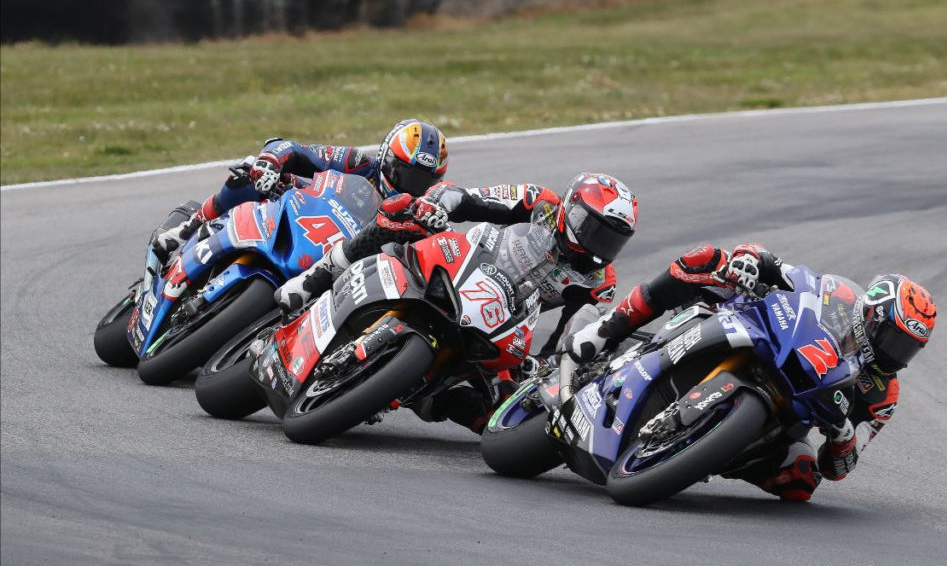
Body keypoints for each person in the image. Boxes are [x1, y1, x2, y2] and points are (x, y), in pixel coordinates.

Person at [564, 243, 937, 501]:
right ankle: (603, 331)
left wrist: (841, 435)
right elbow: (782, 268)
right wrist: (749, 260)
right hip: (753, 329)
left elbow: (841, 466)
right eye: (891, 337)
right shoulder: (839, 296)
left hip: (790, 412)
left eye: (906, 348)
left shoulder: (882, 394)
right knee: (705, 259)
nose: (894, 353)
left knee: (803, 481)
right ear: (871, 314)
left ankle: (708, 452)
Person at [276, 172, 640, 433]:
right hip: (462, 262)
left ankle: (427, 398)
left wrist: (542, 367)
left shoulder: (599, 282)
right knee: (400, 217)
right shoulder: (539, 202)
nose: (599, 246)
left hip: (502, 321)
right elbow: (467, 197)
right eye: (593, 229)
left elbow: (568, 336)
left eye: (611, 241)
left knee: (500, 411)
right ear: (571, 211)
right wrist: (439, 206)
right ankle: (313, 280)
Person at [151, 119, 449, 261]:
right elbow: (291, 148)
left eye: (421, 182)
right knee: (250, 176)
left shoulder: (416, 214)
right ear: (386, 158)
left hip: (335, 260)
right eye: (405, 173)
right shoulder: (359, 162)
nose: (410, 185)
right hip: (298, 212)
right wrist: (270, 163)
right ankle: (189, 227)